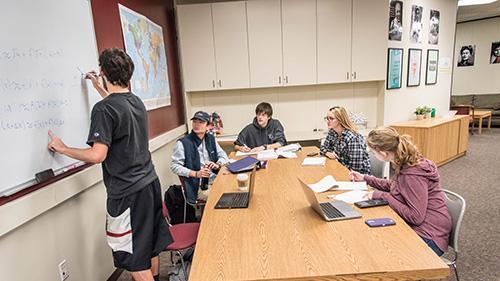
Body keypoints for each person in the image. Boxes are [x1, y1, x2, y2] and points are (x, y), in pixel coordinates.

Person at [48, 48, 171, 281]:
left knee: (134, 259)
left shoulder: (104, 109)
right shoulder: (135, 102)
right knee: (150, 245)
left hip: (128, 193)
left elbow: (97, 155)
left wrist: (62, 148)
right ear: (130, 74)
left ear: (103, 71)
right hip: (150, 184)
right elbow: (117, 107)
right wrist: (97, 86)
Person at [350, 127, 452, 256]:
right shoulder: (404, 162)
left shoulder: (412, 175)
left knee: (377, 249)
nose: (371, 154)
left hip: (430, 235)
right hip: (422, 226)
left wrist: (383, 196)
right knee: (370, 239)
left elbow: (415, 217)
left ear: (383, 153)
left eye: (372, 152)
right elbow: (395, 186)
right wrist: (365, 178)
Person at [171, 111, 229, 204]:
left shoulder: (210, 138)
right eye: (195, 122)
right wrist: (196, 173)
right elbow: (174, 166)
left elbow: (223, 155)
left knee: (233, 190)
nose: (196, 125)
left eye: (201, 122)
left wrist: (217, 164)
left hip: (214, 179)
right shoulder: (182, 143)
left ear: (208, 126)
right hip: (197, 186)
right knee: (221, 197)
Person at [319, 106, 370, 174]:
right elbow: (323, 148)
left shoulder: (353, 138)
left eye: (331, 118)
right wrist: (327, 153)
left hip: (357, 177)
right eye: (327, 118)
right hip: (341, 169)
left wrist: (338, 169)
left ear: (340, 120)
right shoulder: (332, 132)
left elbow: (355, 169)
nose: (328, 121)